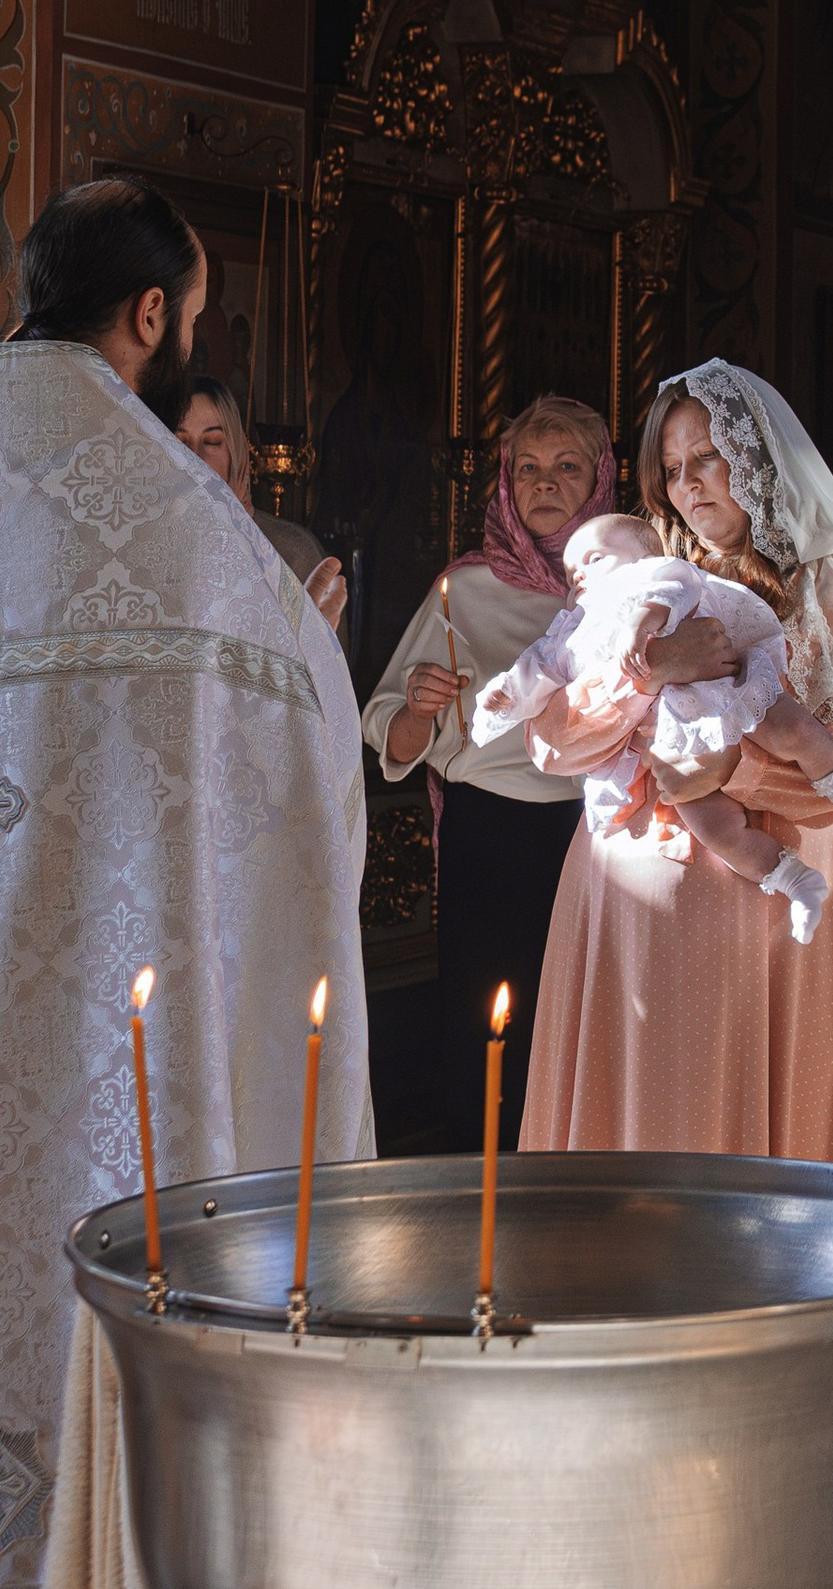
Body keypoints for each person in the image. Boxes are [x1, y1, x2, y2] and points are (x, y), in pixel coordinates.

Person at [0, 176, 370, 1589]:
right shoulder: (168, 516)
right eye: (192, 318)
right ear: (148, 317)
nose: (194, 341)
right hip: (115, 1037)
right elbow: (298, 736)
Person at [522, 360, 833, 1165]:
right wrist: (652, 667)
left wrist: (728, 772)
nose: (688, 486)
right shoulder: (650, 579)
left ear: (759, 456)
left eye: (707, 457)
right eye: (670, 470)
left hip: (773, 914)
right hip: (627, 914)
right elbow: (553, 741)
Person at [362, 395, 616, 1148]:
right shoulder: (464, 588)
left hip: (592, 832)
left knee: (579, 1016)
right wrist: (416, 707)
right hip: (492, 832)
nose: (544, 483)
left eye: (566, 467)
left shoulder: (629, 585)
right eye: (528, 468)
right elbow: (392, 732)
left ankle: (576, 1180)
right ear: (505, 482)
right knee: (487, 1021)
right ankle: (488, 1187)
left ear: (601, 479)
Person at [472, 511, 833, 942]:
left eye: (594, 558)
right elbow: (540, 671)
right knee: (713, 826)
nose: (579, 575)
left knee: (790, 729)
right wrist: (505, 694)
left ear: (641, 555)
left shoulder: (651, 577)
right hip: (674, 734)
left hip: (727, 689)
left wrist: (641, 623)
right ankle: (792, 879)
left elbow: (674, 586)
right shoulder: (573, 630)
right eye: (572, 570)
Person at [176, 372, 348, 632]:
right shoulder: (144, 544)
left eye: (212, 442)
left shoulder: (292, 552)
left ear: (236, 451)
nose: (195, 457)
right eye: (179, 441)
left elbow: (332, 664)